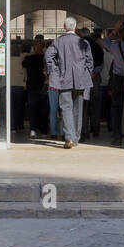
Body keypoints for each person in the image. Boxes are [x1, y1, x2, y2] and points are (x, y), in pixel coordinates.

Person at [44, 16, 94, 149]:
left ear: (64, 27)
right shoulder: (83, 42)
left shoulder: (58, 42)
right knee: (78, 109)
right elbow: (90, 61)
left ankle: (69, 137)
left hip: (63, 80)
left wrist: (54, 71)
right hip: (80, 80)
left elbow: (48, 56)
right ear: (75, 27)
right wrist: (86, 73)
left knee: (66, 108)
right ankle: (75, 138)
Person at [102, 24, 124, 146]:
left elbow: (105, 41)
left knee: (116, 108)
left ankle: (117, 137)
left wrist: (114, 30)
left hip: (118, 80)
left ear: (119, 34)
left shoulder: (115, 46)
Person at [81, 25, 105, 140]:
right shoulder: (97, 46)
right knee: (95, 104)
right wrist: (95, 72)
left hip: (82, 78)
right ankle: (95, 128)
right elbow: (101, 63)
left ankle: (84, 130)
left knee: (83, 105)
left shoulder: (79, 46)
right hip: (95, 78)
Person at [22, 36, 48, 138]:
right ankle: (44, 131)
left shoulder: (29, 59)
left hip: (32, 87)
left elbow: (23, 64)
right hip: (44, 86)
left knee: (32, 109)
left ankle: (33, 130)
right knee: (44, 109)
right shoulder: (45, 58)